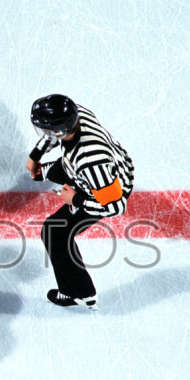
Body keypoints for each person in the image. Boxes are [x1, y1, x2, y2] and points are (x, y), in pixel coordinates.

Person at [25, 94, 135, 310]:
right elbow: (54, 133)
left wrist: (75, 198)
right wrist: (36, 154)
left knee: (53, 232)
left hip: (103, 188)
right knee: (50, 171)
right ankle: (56, 173)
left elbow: (116, 206)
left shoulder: (90, 162)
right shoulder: (77, 113)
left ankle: (79, 293)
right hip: (98, 169)